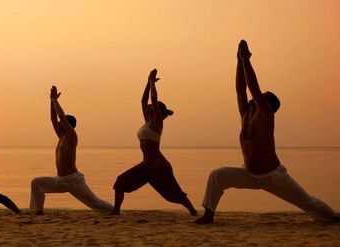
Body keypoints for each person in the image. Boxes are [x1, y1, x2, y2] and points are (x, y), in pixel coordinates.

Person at [195, 40, 339, 224]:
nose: (255, 99)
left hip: (273, 177)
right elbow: (240, 90)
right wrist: (238, 60)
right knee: (217, 175)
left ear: (266, 105)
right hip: (250, 174)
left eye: (260, 98)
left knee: (307, 202)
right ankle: (208, 216)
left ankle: (333, 217)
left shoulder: (266, 116)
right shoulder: (246, 115)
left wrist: (247, 59)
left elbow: (253, 88)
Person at [111, 69, 198, 215]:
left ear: (156, 109)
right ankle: (115, 211)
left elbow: (153, 98)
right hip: (145, 166)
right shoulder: (147, 121)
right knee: (120, 182)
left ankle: (193, 211)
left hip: (159, 166)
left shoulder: (157, 123)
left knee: (174, 195)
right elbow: (143, 101)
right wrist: (147, 82)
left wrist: (152, 82)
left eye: (152, 106)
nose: (148, 107)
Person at [30, 86, 113, 215]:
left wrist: (55, 100)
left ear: (67, 125)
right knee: (36, 183)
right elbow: (53, 119)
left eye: (61, 122)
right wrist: (51, 101)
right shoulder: (61, 136)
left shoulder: (71, 136)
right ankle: (38, 211)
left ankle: (117, 212)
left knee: (96, 203)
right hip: (60, 180)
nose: (57, 123)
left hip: (73, 180)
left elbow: (61, 117)